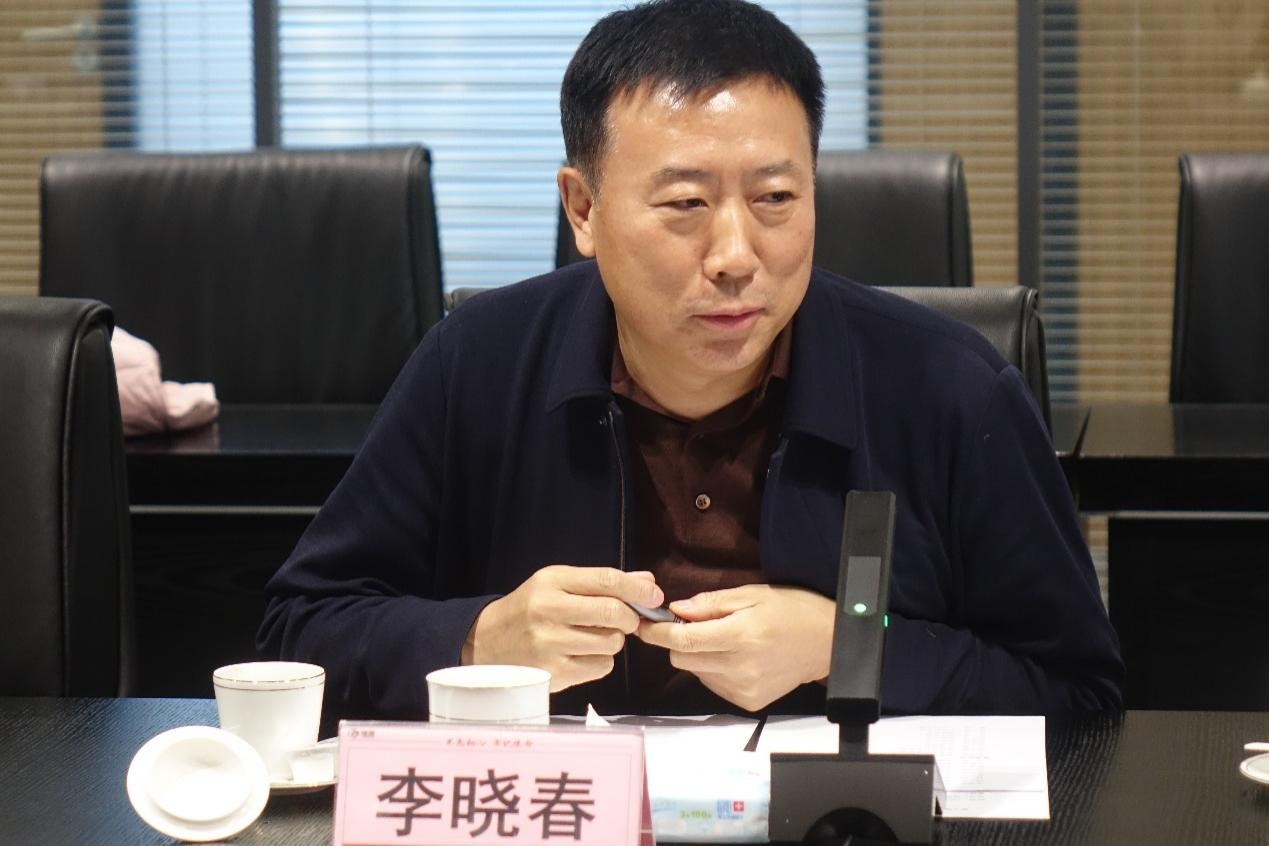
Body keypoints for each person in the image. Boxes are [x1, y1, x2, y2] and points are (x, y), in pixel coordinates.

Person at [259, 0, 1123, 722]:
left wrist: (848, 645)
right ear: (582, 209)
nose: (736, 255)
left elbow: (1079, 691)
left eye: (775, 197)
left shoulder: (949, 389)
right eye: (684, 203)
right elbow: (301, 631)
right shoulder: (477, 364)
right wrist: (479, 639)